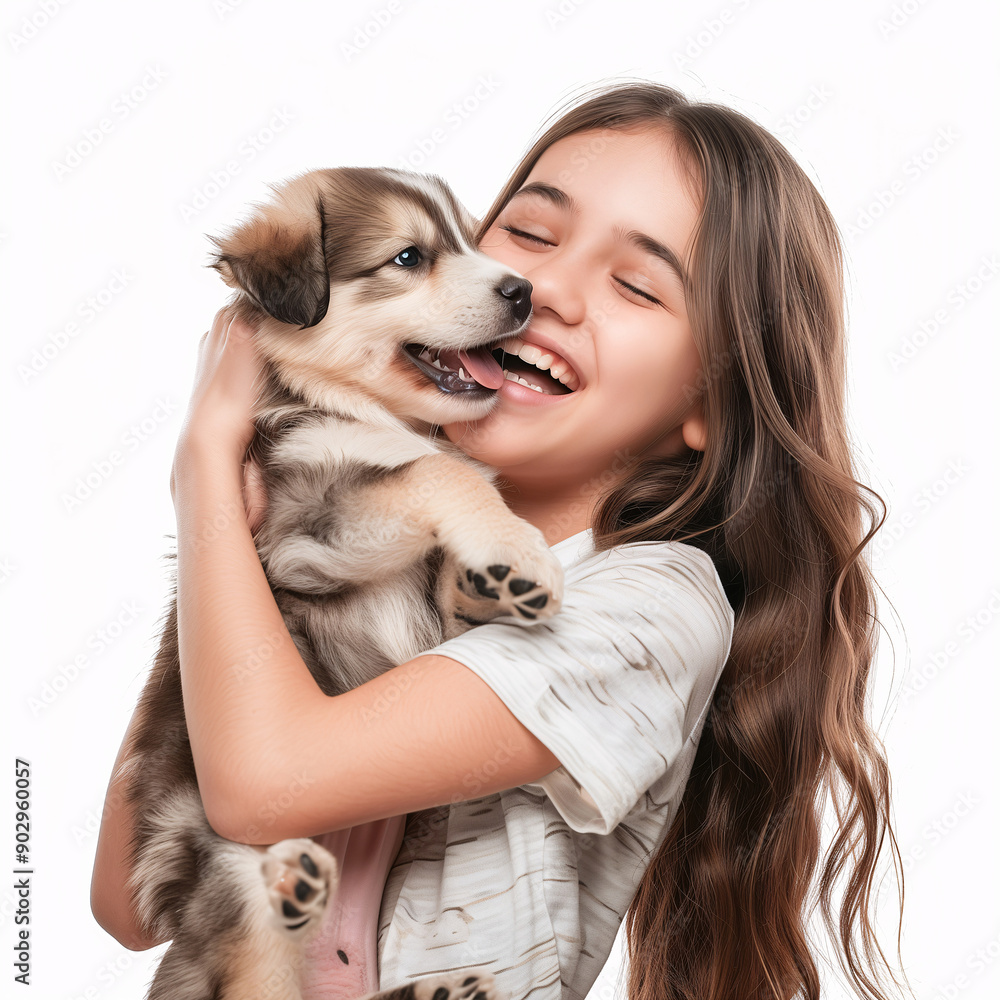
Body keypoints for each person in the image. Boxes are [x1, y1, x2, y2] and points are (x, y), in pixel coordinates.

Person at [90, 81, 903, 1000]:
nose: (542, 289)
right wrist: (234, 520)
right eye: (529, 234)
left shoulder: (653, 608)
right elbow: (126, 896)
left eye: (636, 284)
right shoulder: (350, 505)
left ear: (708, 405)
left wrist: (204, 466)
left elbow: (259, 787)